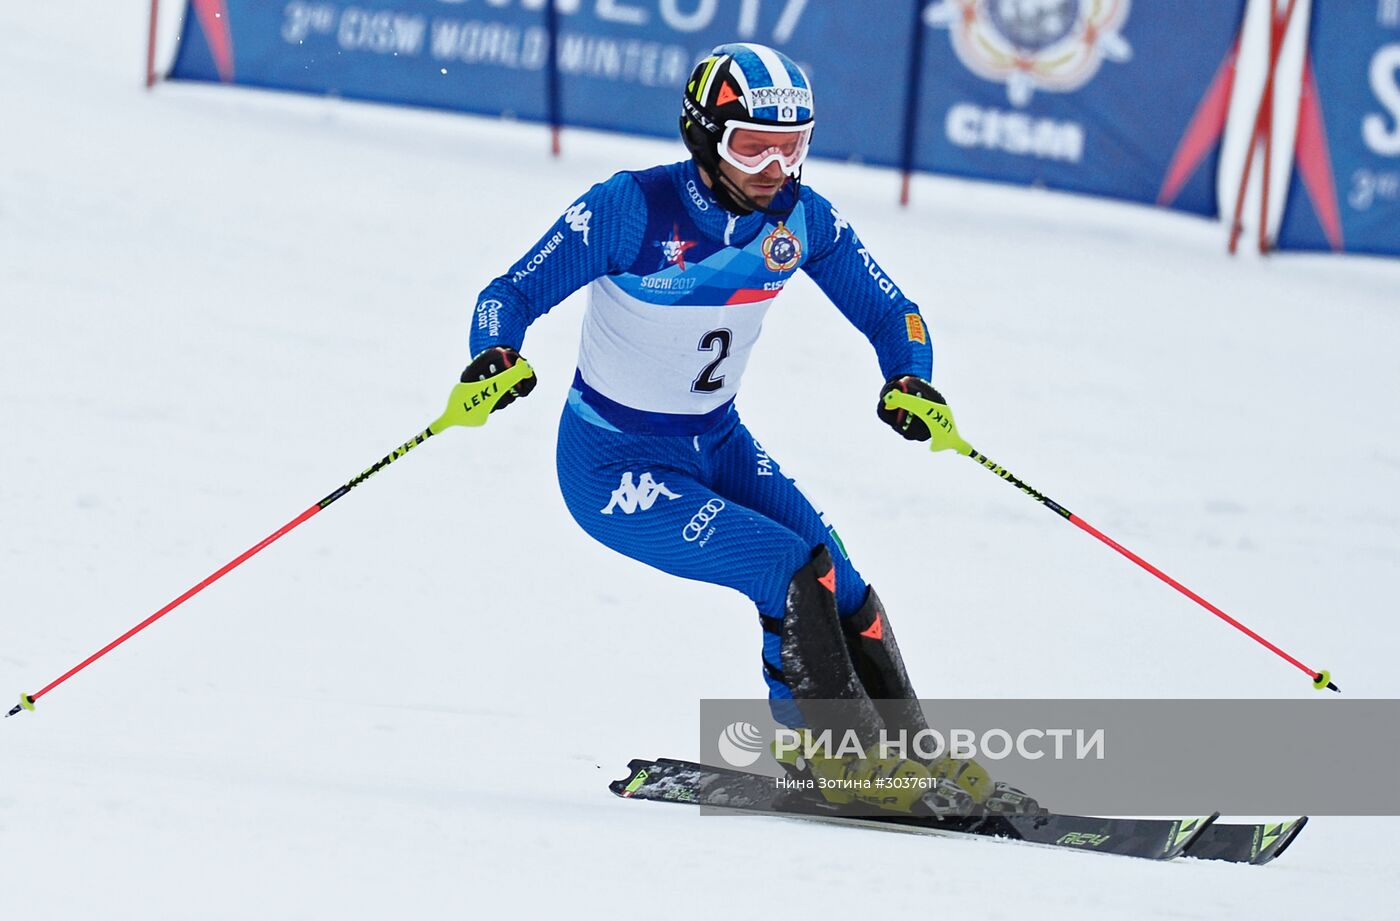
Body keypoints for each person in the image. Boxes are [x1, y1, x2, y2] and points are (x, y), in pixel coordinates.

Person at [460, 42, 1033, 817]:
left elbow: (890, 309)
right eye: (751, 146)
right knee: (784, 567)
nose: (775, 168)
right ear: (704, 138)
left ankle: (915, 755)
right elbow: (511, 290)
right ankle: (841, 763)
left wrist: (908, 376)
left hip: (716, 443)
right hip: (612, 463)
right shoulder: (632, 209)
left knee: (844, 583)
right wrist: (495, 352)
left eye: (791, 147)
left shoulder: (799, 218)